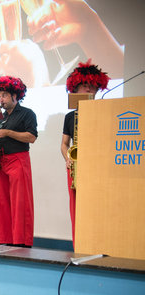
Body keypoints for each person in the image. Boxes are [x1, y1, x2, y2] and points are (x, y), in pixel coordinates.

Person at [60, 60, 109, 246]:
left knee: (96, 207)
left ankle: (98, 243)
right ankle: (79, 245)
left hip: (97, 166)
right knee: (76, 207)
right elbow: (64, 144)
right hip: (76, 166)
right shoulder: (70, 116)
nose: (89, 91)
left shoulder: (105, 112)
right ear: (76, 89)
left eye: (92, 87)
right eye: (85, 87)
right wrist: (68, 159)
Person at [0, 76, 38, 247]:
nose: (1, 99)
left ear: (15, 96)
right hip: (2, 160)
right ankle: (6, 239)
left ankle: (21, 241)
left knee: (20, 202)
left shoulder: (27, 113)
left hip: (18, 159)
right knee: (3, 202)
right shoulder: (0, 118)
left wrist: (7, 133)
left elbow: (31, 137)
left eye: (4, 95)